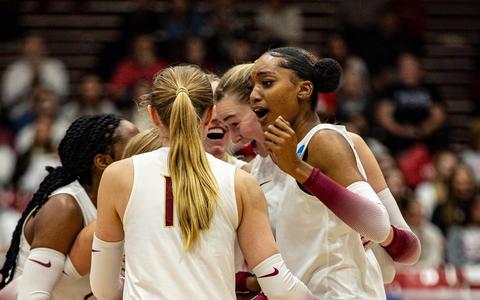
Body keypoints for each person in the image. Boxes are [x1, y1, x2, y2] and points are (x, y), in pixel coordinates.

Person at [90, 65, 312, 299]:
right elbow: (278, 285)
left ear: (153, 115)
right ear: (209, 114)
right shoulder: (241, 182)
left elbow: (103, 288)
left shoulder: (117, 176)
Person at [215, 61, 419, 294]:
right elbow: (260, 273)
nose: (234, 138)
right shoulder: (251, 173)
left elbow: (406, 253)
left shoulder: (343, 144)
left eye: (235, 123)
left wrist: (371, 227)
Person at [0, 114, 139, 299]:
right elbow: (33, 294)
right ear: (102, 161)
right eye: (135, 150)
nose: (143, 156)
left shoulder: (122, 199)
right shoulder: (64, 207)